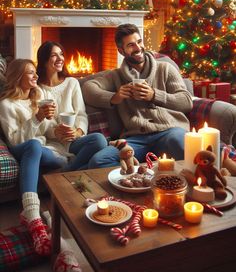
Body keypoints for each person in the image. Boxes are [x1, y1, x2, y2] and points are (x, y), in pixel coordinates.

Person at [82, 23, 193, 168]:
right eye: (131, 45)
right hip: (136, 139)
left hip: (169, 131)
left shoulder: (165, 68)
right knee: (99, 161)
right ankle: (138, 183)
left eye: (139, 42)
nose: (138, 48)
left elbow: (186, 102)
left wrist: (154, 95)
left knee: (186, 149)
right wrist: (114, 97)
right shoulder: (115, 76)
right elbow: (87, 88)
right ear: (121, 51)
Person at [0, 59, 66, 256]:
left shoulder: (37, 98)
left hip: (42, 148)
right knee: (35, 144)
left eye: (35, 71)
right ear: (17, 77)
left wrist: (59, 128)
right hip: (21, 148)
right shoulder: (6, 104)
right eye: (30, 73)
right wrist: (37, 118)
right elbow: (15, 138)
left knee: (64, 161)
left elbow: (47, 133)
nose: (36, 76)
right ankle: (33, 216)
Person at [36, 40, 107, 171]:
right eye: (54, 55)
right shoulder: (37, 89)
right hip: (53, 143)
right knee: (93, 164)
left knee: (99, 140)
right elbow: (40, 122)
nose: (60, 58)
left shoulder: (72, 83)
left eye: (61, 54)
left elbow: (81, 113)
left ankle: (65, 172)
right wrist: (55, 132)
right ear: (44, 60)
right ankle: (75, 169)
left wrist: (77, 132)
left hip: (74, 140)